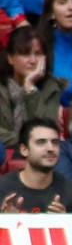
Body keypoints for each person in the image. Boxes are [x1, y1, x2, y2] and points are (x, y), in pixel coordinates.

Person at [0, 116, 72, 212]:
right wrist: (6, 222)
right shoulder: (2, 188)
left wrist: (64, 223)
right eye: (41, 142)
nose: (50, 148)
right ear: (24, 149)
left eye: (55, 142)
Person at [0, 25, 61, 156]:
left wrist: (30, 89)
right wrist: (26, 141)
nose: (32, 60)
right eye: (25, 54)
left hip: (41, 155)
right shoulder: (1, 87)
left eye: (38, 54)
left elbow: (46, 131)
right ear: (10, 58)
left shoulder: (51, 88)